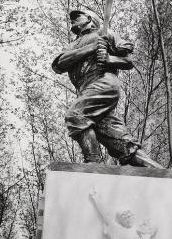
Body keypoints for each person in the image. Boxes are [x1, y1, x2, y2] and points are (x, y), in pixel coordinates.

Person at [52, 9, 162, 168]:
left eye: (76, 17)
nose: (72, 21)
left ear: (88, 18)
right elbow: (59, 64)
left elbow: (128, 61)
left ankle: (93, 165)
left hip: (103, 81)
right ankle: (158, 172)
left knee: (76, 115)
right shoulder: (72, 45)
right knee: (116, 139)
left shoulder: (105, 33)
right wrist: (91, 48)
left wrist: (109, 59)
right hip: (85, 88)